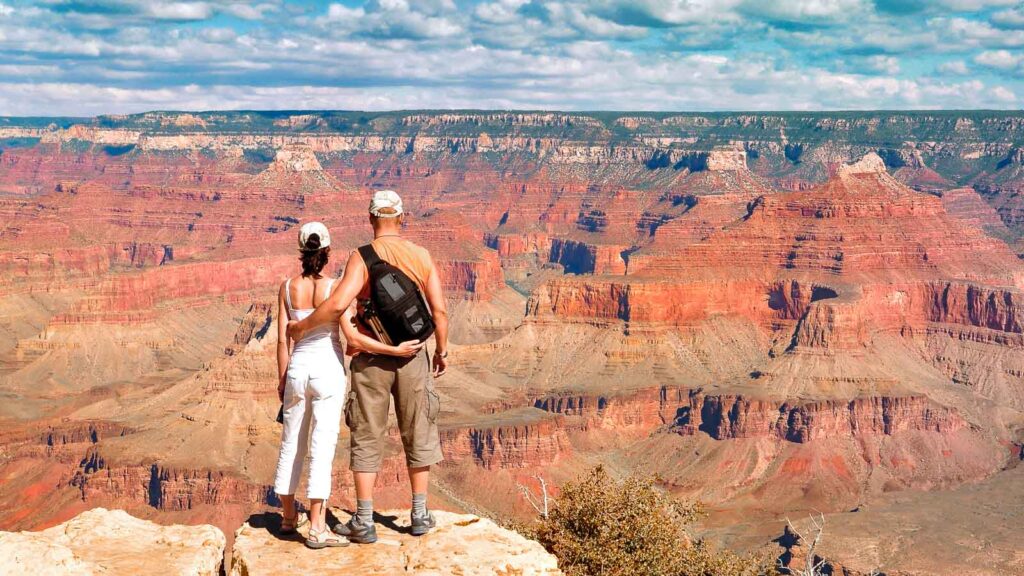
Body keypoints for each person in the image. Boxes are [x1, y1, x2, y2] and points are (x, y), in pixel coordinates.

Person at [287, 190, 449, 543]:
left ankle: (364, 520)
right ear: (402, 218)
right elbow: (438, 310)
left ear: (371, 218)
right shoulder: (420, 255)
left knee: (366, 434)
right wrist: (441, 350)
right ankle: (419, 514)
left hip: (372, 358)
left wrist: (300, 327)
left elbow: (336, 305)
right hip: (413, 355)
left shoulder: (361, 257)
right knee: (417, 428)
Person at [272, 222, 422, 549]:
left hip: (297, 368)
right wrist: (393, 350)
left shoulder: (285, 288)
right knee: (321, 446)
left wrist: (283, 380)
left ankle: (286, 517)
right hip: (326, 369)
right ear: (326, 253)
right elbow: (352, 338)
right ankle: (316, 528)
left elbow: (283, 341)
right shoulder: (334, 288)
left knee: (291, 441)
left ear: (302, 252)